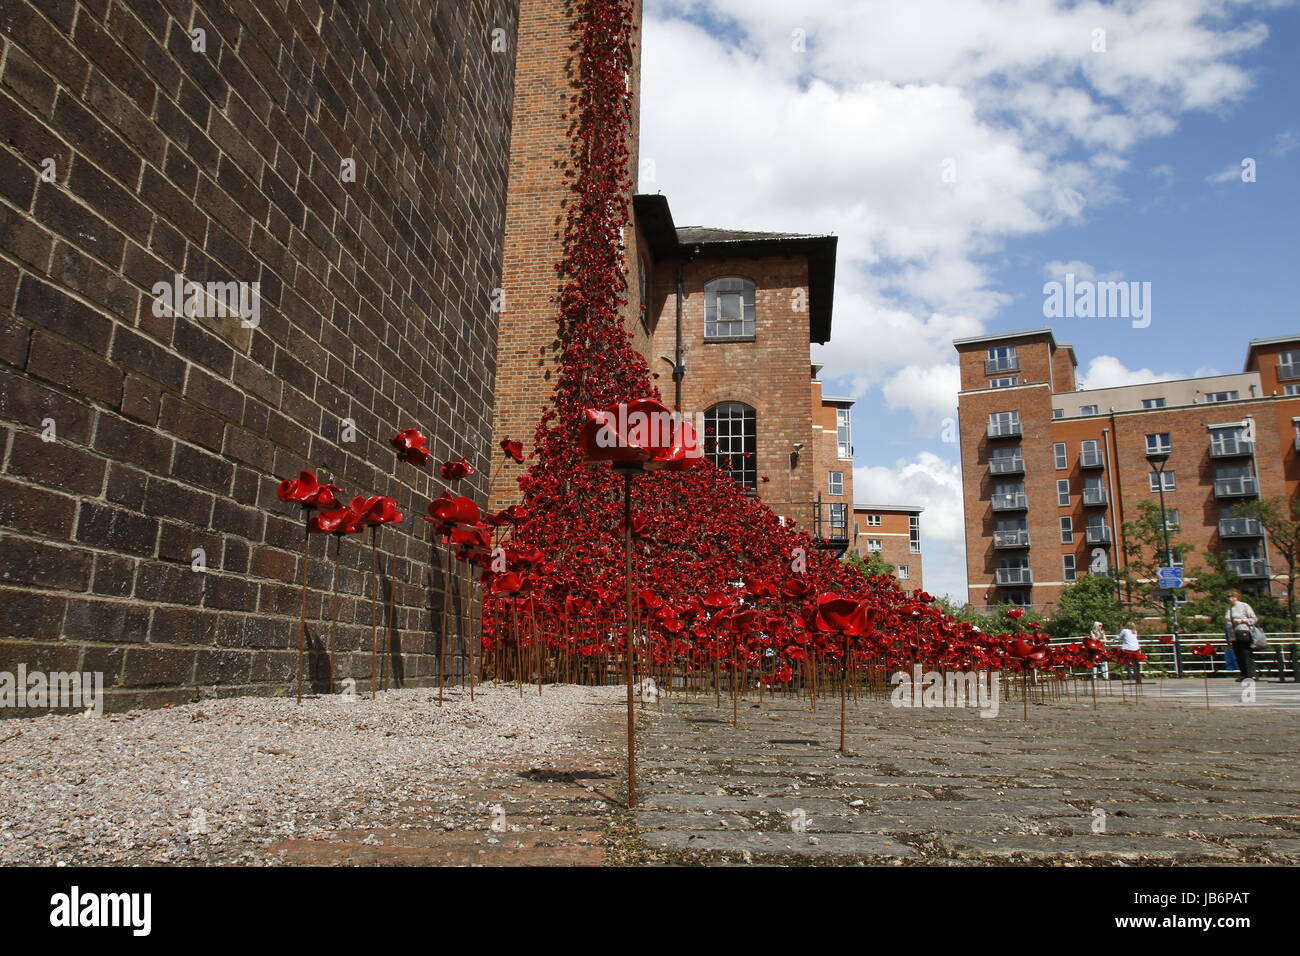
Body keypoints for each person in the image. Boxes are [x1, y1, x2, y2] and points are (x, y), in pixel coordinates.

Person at [1224, 589, 1258, 682]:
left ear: (1236, 597)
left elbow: (1254, 619)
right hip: (1233, 634)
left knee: (1246, 653)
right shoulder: (1229, 608)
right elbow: (1227, 623)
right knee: (1238, 654)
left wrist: (1242, 621)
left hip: (1243, 632)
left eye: (1231, 596)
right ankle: (1243, 674)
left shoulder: (1244, 606)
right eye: (1228, 597)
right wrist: (1227, 636)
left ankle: (1250, 674)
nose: (1229, 598)